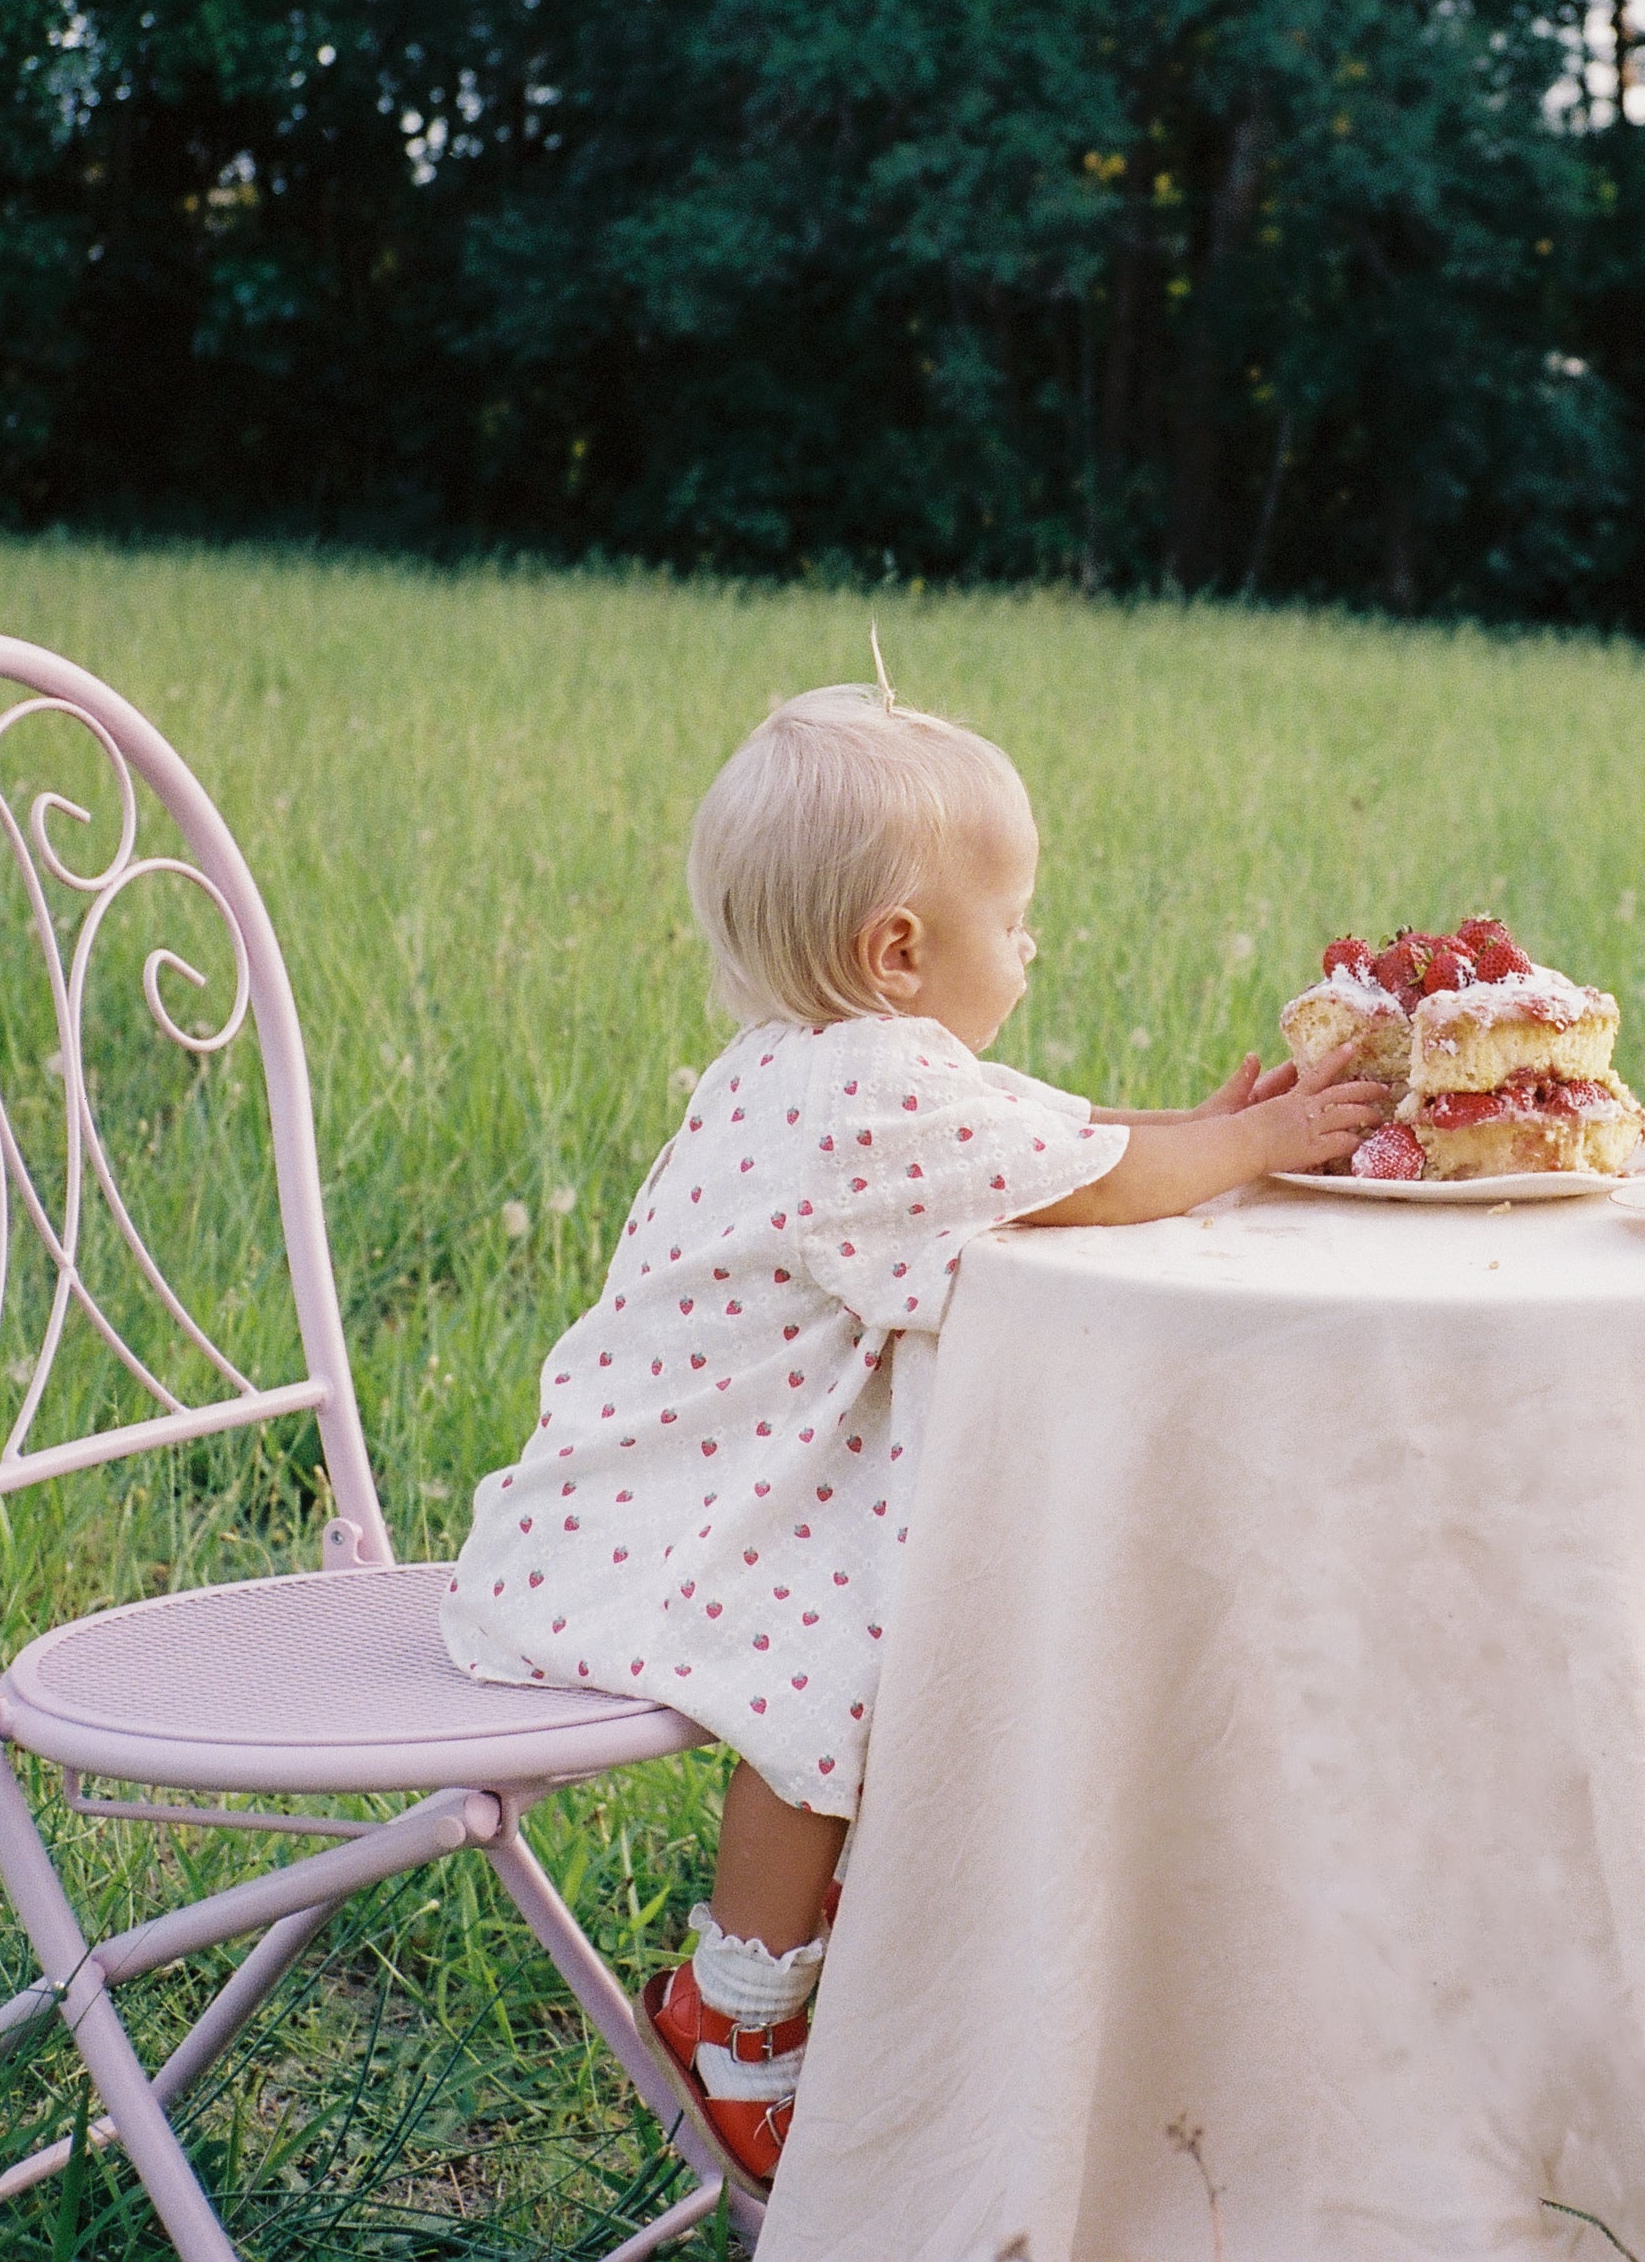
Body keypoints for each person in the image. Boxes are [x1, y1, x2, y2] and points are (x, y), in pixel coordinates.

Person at [441, 680, 1386, 2181]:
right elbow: (1069, 1176)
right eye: (1011, 918)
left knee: (870, 1630)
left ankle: (837, 1991)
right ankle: (730, 2014)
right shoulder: (867, 1084)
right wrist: (1248, 1145)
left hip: (620, 1497)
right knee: (829, 1678)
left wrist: (1184, 1138)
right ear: (899, 951)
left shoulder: (802, 1061)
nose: (1027, 945)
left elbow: (1049, 1147)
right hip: (661, 1535)